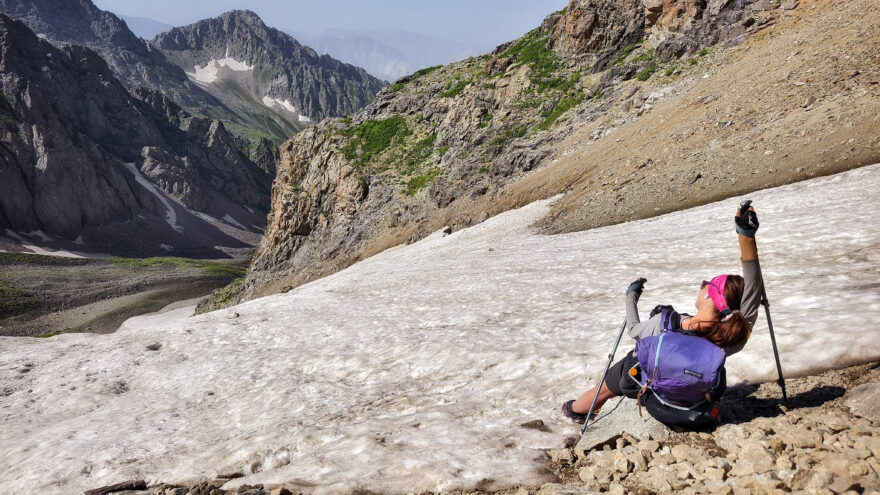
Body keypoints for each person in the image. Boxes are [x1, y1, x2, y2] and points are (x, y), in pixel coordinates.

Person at [562, 204, 765, 426]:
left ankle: (574, 411)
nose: (702, 285)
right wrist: (746, 235)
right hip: (694, 397)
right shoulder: (728, 338)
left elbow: (633, 330)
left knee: (603, 389)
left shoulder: (665, 322)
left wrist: (631, 296)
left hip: (645, 385)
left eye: (707, 284)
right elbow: (752, 289)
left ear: (711, 298)